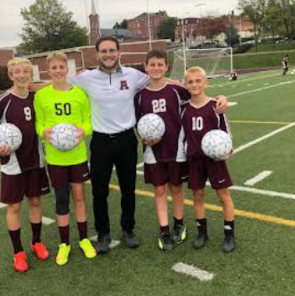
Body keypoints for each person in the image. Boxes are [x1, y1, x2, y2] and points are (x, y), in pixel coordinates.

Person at [67, 36, 229, 254]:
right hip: (101, 140)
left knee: (128, 189)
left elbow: (183, 86)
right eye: (104, 51)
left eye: (112, 50)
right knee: (99, 191)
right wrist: (25, 85)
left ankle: (128, 230)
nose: (108, 54)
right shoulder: (87, 77)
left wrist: (220, 97)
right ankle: (103, 234)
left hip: (128, 140)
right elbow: (59, 85)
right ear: (97, 54)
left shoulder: (134, 76)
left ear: (119, 52)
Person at [0, 57, 50, 272]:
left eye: (26, 71)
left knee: (35, 202)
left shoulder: (36, 97)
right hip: (13, 163)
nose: (22, 75)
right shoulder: (3, 100)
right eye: (17, 72)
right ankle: (18, 252)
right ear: (10, 75)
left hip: (36, 160)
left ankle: (37, 243)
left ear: (30, 74)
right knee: (14, 206)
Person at [34, 52, 96, 265]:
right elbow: (38, 124)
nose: (58, 71)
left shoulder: (80, 94)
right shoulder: (41, 96)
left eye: (61, 67)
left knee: (79, 196)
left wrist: (82, 131)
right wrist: (45, 132)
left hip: (77, 156)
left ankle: (84, 239)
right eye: (54, 68)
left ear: (66, 69)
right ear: (48, 70)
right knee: (61, 199)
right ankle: (64, 244)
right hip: (56, 158)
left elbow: (88, 122)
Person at [134, 50, 191, 251]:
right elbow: (137, 123)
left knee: (176, 187)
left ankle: (179, 223)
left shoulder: (177, 90)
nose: (156, 68)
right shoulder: (140, 96)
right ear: (146, 66)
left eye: (160, 64)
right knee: (159, 190)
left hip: (176, 148)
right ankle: (164, 230)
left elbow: (198, 94)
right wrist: (142, 137)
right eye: (152, 64)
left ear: (166, 66)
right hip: (153, 151)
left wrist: (221, 99)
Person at [181, 66, 235, 253]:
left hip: (215, 159)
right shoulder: (184, 109)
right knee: (197, 196)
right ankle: (202, 232)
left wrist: (228, 150)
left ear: (206, 82)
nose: (194, 84)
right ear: (185, 84)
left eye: (198, 81)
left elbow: (225, 131)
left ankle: (229, 234)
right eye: (190, 81)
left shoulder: (216, 106)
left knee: (223, 196)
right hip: (194, 159)